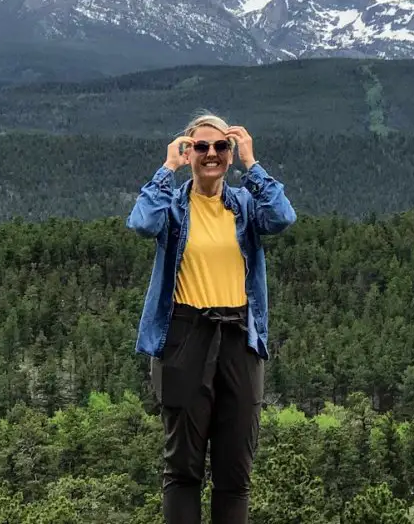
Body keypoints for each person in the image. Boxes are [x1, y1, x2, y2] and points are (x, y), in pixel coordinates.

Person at [126, 113, 296, 524]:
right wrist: (167, 168)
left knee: (234, 472)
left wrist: (252, 165)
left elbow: (282, 217)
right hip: (184, 336)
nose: (211, 154)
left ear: (230, 152)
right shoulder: (173, 206)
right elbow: (141, 222)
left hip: (240, 337)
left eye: (220, 147)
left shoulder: (245, 205)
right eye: (200, 147)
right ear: (189, 152)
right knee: (183, 470)